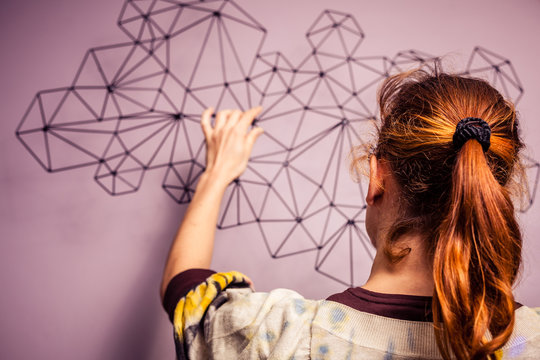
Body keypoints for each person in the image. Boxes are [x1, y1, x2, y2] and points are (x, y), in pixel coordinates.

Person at [159, 65, 540, 359]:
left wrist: (216, 174)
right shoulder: (530, 339)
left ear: (377, 178)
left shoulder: (280, 336)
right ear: (491, 191)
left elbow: (185, 290)